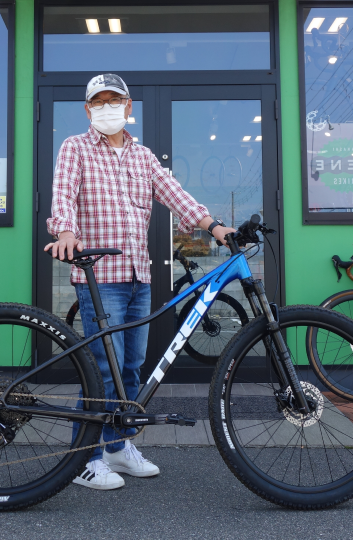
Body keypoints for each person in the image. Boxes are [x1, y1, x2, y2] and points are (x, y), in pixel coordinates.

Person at [45, 74, 236, 491]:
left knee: (131, 369)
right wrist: (65, 231)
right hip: (100, 277)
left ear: (128, 107)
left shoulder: (143, 156)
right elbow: (63, 195)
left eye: (114, 101)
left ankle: (117, 446)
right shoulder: (75, 148)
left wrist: (214, 226)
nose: (107, 108)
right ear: (88, 109)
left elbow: (176, 195)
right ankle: (84, 459)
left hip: (139, 277)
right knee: (103, 371)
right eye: (99, 102)